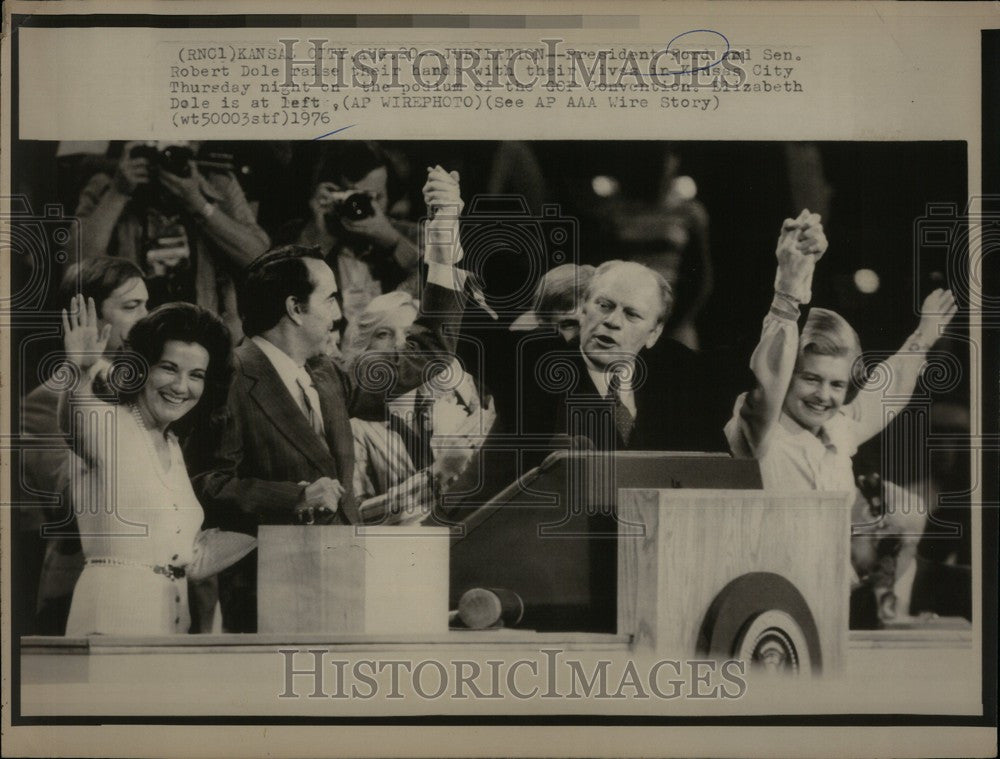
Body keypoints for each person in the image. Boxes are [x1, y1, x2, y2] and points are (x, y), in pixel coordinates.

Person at [188, 166, 467, 632]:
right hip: (266, 596)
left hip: (343, 585)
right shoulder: (229, 377)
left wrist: (444, 237)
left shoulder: (327, 376)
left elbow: (430, 350)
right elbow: (206, 484)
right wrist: (295, 496)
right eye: (331, 300)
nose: (341, 315)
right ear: (295, 309)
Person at [725, 209, 958, 492]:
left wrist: (923, 337)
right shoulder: (761, 434)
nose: (823, 395)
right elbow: (768, 379)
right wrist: (788, 287)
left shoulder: (839, 430)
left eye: (837, 384)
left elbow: (887, 389)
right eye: (811, 378)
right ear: (788, 374)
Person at [59, 299, 233, 635]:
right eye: (168, 368)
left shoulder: (172, 445)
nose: (182, 387)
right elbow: (74, 426)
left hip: (171, 623)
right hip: (111, 619)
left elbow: (185, 551)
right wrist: (79, 373)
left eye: (196, 375)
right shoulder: (108, 423)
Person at [18, 257, 149, 635]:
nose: (147, 317)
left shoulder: (153, 392)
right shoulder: (43, 403)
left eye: (147, 304)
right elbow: (69, 502)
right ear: (85, 317)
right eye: (131, 307)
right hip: (85, 598)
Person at [73, 140, 270, 339]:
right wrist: (118, 192)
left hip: (199, 330)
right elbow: (77, 266)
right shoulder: (109, 182)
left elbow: (259, 256)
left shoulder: (217, 182)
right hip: (134, 333)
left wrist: (199, 203)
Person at [341, 292, 492, 525]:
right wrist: (435, 477)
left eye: (410, 334)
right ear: (364, 349)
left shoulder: (453, 395)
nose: (400, 343)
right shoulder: (353, 426)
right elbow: (358, 515)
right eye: (383, 334)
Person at [274, 141, 421, 325]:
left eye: (376, 197)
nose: (367, 206)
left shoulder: (409, 234)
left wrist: (393, 242)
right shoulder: (299, 234)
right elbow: (284, 294)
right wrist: (319, 235)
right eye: (356, 197)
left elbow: (437, 289)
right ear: (332, 192)